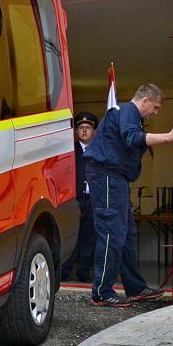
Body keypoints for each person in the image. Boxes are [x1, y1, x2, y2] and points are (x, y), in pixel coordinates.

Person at [84, 84, 173, 307]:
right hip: (107, 177)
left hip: (115, 179)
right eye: (156, 107)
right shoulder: (128, 111)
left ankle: (135, 288)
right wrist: (170, 137)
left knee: (127, 234)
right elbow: (133, 138)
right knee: (112, 232)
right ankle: (101, 293)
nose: (155, 113)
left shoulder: (126, 114)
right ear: (145, 101)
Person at [61, 111, 98, 282]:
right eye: (81, 127)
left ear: (94, 131)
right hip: (74, 200)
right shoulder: (70, 151)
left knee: (89, 238)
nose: (84, 130)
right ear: (76, 131)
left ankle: (84, 272)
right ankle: (64, 272)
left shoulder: (99, 150)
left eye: (88, 127)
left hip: (92, 200)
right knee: (70, 236)